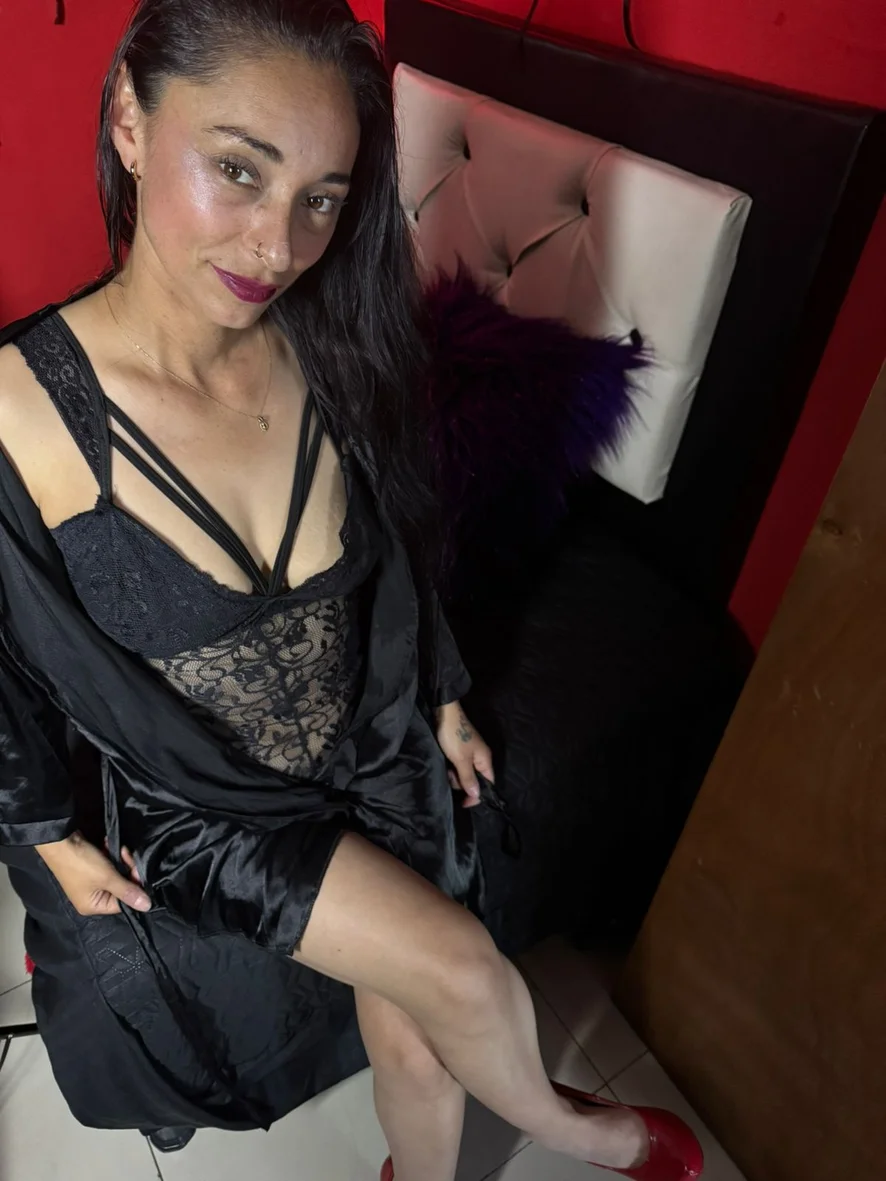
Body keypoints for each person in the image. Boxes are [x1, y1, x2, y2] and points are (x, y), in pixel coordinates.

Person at [0, 2, 703, 1179]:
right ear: (129, 119)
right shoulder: (19, 411)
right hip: (212, 809)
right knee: (465, 970)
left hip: (373, 747)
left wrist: (441, 696)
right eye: (238, 169)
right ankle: (583, 1127)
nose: (278, 244)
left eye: (321, 199)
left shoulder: (329, 340)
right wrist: (43, 828)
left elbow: (399, 546)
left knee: (422, 1042)